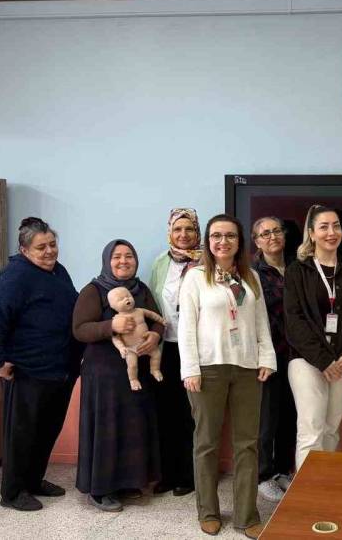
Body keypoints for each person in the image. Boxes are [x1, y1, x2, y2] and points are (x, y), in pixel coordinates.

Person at [180, 214, 275, 539]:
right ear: (208, 241)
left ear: (240, 241)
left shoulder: (251, 277)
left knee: (247, 443)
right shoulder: (195, 278)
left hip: (247, 367)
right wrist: (190, 369)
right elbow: (186, 327)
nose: (223, 242)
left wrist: (267, 358)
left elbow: (261, 321)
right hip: (208, 369)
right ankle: (208, 511)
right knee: (206, 442)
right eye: (216, 236)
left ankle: (247, 516)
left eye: (230, 236)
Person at [0, 218, 82, 511]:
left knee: (47, 430)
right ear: (24, 250)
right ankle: (13, 492)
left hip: (59, 370)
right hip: (27, 371)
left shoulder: (58, 271)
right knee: (22, 434)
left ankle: (34, 481)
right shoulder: (14, 277)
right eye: (41, 247)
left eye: (52, 244)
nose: (50, 251)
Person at [73, 239, 162, 512]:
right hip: (104, 374)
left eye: (129, 256)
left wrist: (155, 336)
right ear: (106, 261)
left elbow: (157, 319)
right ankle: (101, 489)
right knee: (107, 429)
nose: (124, 261)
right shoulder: (94, 290)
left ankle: (128, 482)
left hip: (136, 372)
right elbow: (79, 329)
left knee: (132, 427)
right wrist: (111, 325)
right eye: (117, 257)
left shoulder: (141, 290)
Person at [284, 205, 342, 470]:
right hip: (307, 361)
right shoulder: (297, 271)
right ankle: (306, 491)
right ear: (311, 233)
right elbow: (294, 321)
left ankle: (323, 485)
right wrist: (323, 360)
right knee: (311, 429)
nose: (331, 232)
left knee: (331, 429)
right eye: (324, 227)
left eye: (336, 226)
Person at [147, 208, 201, 497]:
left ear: (197, 232)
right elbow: (153, 302)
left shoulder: (208, 262)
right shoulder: (160, 262)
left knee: (192, 413)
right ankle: (167, 474)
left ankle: (189, 475)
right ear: (170, 232)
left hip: (197, 349)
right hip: (165, 348)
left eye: (189, 229)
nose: (183, 234)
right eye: (177, 229)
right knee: (166, 412)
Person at [251, 216, 297, 502]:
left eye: (276, 231)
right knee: (266, 419)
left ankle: (282, 469)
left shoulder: (298, 266)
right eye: (265, 233)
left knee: (289, 415)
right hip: (267, 356)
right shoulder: (251, 273)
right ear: (256, 241)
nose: (272, 237)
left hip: (296, 354)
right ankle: (263, 475)